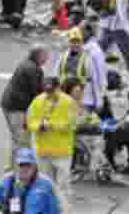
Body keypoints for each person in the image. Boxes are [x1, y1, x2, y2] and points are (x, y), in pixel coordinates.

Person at [26, 77, 76, 207]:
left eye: (52, 91)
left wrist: (52, 125)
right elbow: (30, 122)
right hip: (43, 152)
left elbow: (72, 124)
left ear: (58, 88)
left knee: (63, 187)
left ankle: (63, 210)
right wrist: (39, 126)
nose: (49, 94)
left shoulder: (68, 102)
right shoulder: (37, 101)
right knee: (44, 186)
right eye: (47, 91)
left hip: (62, 153)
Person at [0, 45, 49, 172]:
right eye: (45, 55)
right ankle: (19, 169)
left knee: (16, 138)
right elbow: (37, 94)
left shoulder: (25, 64)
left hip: (8, 105)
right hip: (17, 109)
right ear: (39, 56)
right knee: (22, 140)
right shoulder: (34, 70)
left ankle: (12, 166)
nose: (47, 58)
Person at [0, 148, 62, 214]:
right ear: (16, 166)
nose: (24, 169)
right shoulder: (7, 182)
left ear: (35, 167)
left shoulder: (45, 185)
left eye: (28, 165)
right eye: (21, 165)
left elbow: (55, 210)